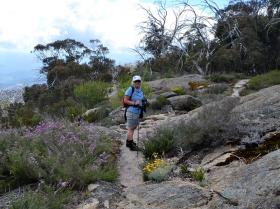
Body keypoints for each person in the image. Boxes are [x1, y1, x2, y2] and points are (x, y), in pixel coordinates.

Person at [123, 75, 144, 151]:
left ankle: (129, 142)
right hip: (131, 111)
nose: (137, 83)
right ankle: (131, 145)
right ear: (133, 82)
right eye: (136, 81)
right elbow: (125, 100)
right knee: (131, 129)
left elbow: (140, 100)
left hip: (137, 112)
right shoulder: (130, 89)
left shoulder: (140, 90)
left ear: (140, 82)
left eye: (138, 81)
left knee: (133, 128)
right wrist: (135, 103)